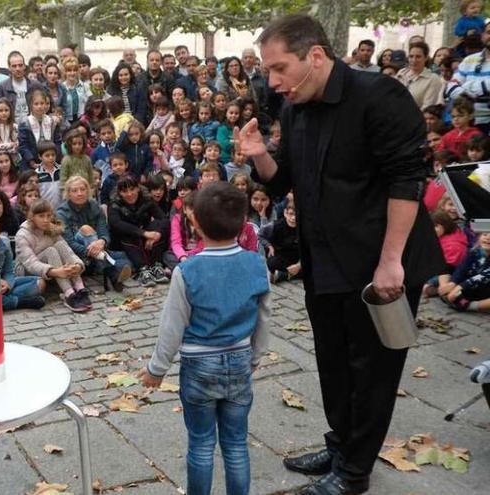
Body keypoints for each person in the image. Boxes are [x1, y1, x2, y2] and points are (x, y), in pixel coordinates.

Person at [236, 14, 444, 494]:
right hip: (323, 259)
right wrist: (259, 154)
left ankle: (354, 473)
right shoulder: (295, 108)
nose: (272, 82)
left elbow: (406, 179)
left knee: (372, 369)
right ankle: (341, 446)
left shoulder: (379, 97)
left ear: (315, 56)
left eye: (279, 68)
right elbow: (283, 179)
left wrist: (391, 261)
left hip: (378, 265)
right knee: (333, 360)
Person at [139, 181, 269, 495]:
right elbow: (264, 316)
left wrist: (157, 369)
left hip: (199, 365)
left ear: (195, 224)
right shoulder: (257, 263)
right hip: (239, 361)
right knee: (236, 443)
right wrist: (256, 356)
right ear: (243, 222)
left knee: (200, 443)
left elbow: (172, 325)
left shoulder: (188, 271)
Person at [15, 199, 91, 312]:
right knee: (50, 250)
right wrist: (55, 272)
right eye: (41, 216)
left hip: (50, 265)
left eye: (48, 216)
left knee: (59, 244)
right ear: (33, 217)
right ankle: (68, 293)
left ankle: (79, 287)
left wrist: (78, 265)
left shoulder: (50, 228)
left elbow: (67, 250)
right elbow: (30, 263)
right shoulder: (22, 234)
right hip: (26, 269)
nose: (46, 220)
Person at [0, 52, 46, 124]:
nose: (17, 69)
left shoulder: (36, 85)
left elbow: (46, 104)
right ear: (9, 68)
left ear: (24, 66)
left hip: (33, 126)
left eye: (20, 65)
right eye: (14, 66)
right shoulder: (1, 87)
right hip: (11, 127)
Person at [396, 41, 445, 109]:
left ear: (426, 58)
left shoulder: (432, 79)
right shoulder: (401, 73)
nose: (414, 60)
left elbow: (427, 108)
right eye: (411, 56)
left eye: (418, 57)